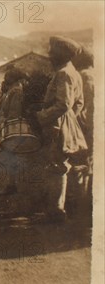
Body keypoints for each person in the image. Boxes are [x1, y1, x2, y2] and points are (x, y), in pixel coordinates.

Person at [36, 36, 86, 222]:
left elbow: (63, 104)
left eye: (52, 52)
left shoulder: (64, 73)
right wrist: (70, 118)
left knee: (57, 167)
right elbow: (78, 104)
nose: (49, 55)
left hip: (58, 126)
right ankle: (63, 209)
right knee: (64, 166)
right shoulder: (74, 72)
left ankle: (56, 213)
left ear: (61, 54)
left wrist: (43, 116)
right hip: (66, 124)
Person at [0, 68, 29, 195]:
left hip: (12, 127)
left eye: (7, 77)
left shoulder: (16, 91)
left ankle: (11, 185)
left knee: (11, 156)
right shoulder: (11, 91)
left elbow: (14, 112)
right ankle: (11, 184)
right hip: (9, 126)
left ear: (12, 78)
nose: (5, 79)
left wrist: (4, 123)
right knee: (9, 156)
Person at [71, 47, 94, 203]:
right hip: (94, 126)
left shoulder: (82, 77)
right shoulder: (96, 75)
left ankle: (80, 203)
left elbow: (79, 107)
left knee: (81, 165)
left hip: (84, 126)